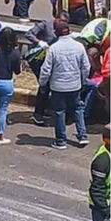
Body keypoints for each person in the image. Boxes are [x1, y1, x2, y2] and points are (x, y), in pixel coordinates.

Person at [39, 19, 91, 149]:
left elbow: (46, 70)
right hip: (75, 85)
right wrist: (83, 80)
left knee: (59, 112)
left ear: (56, 32)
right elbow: (86, 66)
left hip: (58, 87)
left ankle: (61, 141)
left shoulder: (53, 49)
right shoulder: (79, 46)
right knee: (78, 109)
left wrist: (42, 83)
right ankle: (83, 136)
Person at [26, 12, 69, 125]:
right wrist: (39, 42)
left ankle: (43, 109)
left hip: (49, 60)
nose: (62, 25)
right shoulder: (45, 25)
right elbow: (28, 34)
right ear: (57, 19)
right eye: (61, 22)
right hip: (37, 59)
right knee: (44, 85)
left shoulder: (62, 30)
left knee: (49, 85)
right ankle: (38, 114)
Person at [88, 125, 110, 221]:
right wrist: (106, 211)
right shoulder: (102, 160)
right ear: (108, 140)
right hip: (103, 207)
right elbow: (96, 189)